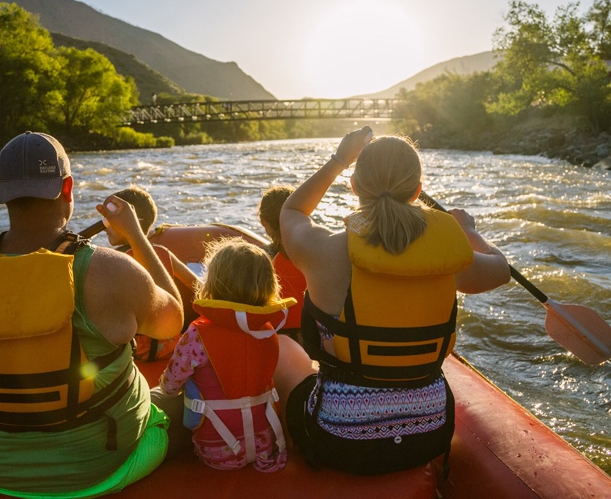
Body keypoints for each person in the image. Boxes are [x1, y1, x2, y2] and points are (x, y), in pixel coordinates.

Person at [0, 131, 184, 497]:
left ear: (2, 195)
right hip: (101, 467)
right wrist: (136, 235)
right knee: (187, 402)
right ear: (67, 188)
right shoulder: (109, 271)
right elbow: (173, 319)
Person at [275, 127, 510, 476]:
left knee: (281, 346)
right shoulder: (450, 255)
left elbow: (291, 212)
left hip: (337, 441)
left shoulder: (324, 250)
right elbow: (502, 270)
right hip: (429, 435)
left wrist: (340, 160)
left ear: (354, 188)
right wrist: (469, 236)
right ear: (417, 191)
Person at [158, 237, 294, 472]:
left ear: (213, 283)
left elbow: (169, 387)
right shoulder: (266, 329)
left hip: (215, 454)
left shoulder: (198, 334)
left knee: (178, 393)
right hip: (267, 444)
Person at [104, 185, 201, 361]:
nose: (105, 227)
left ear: (131, 222)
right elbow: (196, 285)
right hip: (172, 345)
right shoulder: (163, 253)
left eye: (109, 221)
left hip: (135, 350)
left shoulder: (113, 259)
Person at [258, 185, 307, 339]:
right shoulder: (315, 251)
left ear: (264, 222)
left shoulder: (261, 259)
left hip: (276, 336)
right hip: (313, 335)